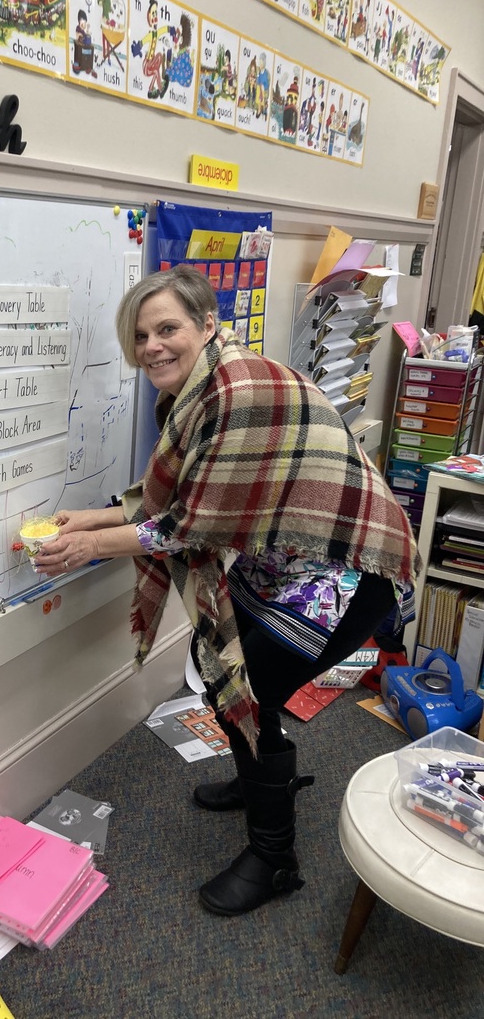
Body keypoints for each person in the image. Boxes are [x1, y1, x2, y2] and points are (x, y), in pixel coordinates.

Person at [34, 265, 420, 917]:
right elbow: (179, 502)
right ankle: (257, 776)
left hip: (348, 566)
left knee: (251, 681)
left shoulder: (237, 391)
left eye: (167, 329)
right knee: (221, 666)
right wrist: (93, 521)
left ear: (207, 324)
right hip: (285, 557)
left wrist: (89, 545)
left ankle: (274, 859)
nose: (152, 346)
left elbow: (186, 527)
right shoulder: (202, 390)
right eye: (141, 336)